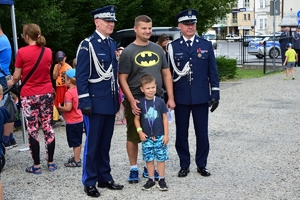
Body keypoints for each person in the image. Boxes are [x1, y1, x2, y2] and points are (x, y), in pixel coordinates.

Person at [118, 15, 175, 184]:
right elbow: (122, 78)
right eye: (144, 28)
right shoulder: (128, 51)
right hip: (136, 99)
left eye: (150, 28)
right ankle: (133, 168)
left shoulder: (158, 50)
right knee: (134, 135)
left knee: (155, 133)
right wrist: (131, 99)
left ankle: (148, 167)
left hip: (156, 98)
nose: (147, 31)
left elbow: (166, 73)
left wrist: (170, 97)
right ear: (136, 29)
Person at [76, 5, 123, 197]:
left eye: (112, 21)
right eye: (107, 21)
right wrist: (84, 100)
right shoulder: (88, 44)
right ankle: (89, 181)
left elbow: (113, 75)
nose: (111, 24)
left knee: (105, 144)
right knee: (93, 144)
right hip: (94, 103)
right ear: (97, 22)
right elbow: (81, 76)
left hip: (109, 102)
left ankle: (105, 177)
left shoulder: (111, 44)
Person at [166, 8, 220, 178]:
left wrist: (215, 93)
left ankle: (201, 164)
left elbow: (213, 71)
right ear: (179, 26)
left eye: (193, 23)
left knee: (202, 133)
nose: (190, 27)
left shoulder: (205, 45)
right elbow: (168, 74)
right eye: (186, 24)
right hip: (181, 97)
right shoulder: (172, 47)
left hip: (201, 96)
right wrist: (169, 97)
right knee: (181, 134)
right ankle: (184, 164)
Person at [7, 23, 56, 174]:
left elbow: (16, 76)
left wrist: (11, 82)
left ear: (27, 37)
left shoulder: (22, 52)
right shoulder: (48, 51)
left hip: (29, 94)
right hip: (46, 92)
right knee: (48, 126)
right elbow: (46, 70)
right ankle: (51, 163)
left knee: (33, 129)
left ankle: (36, 166)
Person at [134, 74, 169, 191]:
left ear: (156, 87)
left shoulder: (160, 102)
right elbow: (136, 119)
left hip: (160, 136)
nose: (151, 90)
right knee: (149, 159)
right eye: (148, 88)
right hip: (146, 137)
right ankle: (151, 179)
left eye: (153, 87)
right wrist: (140, 132)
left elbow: (165, 118)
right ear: (142, 89)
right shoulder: (140, 103)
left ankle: (162, 179)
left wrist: (166, 135)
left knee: (161, 158)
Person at [57, 69, 83, 167]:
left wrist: (60, 108)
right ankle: (77, 157)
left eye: (64, 79)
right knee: (78, 140)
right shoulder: (79, 90)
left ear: (69, 81)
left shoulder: (69, 93)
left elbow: (68, 108)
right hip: (79, 119)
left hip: (72, 121)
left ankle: (76, 161)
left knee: (75, 142)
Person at [0, 23, 17, 149]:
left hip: (1, 77)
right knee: (8, 105)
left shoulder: (1, 41)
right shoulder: (4, 39)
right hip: (4, 75)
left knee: (4, 107)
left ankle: (5, 139)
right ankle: (9, 137)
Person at [52, 50, 72, 121]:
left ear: (65, 58)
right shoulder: (56, 66)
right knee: (57, 104)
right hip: (59, 87)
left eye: (61, 60)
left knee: (66, 102)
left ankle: (67, 117)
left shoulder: (68, 67)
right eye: (58, 60)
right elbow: (54, 77)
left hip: (66, 87)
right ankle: (61, 117)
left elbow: (72, 79)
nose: (60, 62)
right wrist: (57, 70)